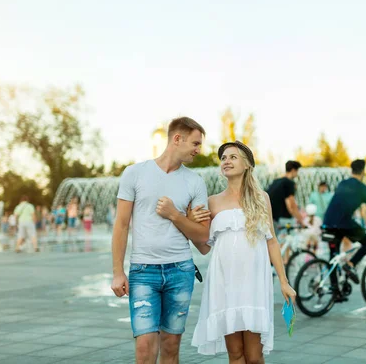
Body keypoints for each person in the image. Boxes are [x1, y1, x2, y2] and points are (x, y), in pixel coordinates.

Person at [110, 117, 210, 364]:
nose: (199, 150)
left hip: (180, 271)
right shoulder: (134, 173)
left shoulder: (195, 182)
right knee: (144, 348)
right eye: (195, 143)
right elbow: (121, 225)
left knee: (171, 346)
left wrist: (176, 215)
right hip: (143, 271)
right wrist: (117, 272)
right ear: (178, 138)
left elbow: (203, 239)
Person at [188, 141, 296, 360]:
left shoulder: (261, 198)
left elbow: (272, 242)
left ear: (247, 164)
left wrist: (284, 282)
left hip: (254, 282)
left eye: (233, 157)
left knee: (254, 355)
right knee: (235, 353)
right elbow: (203, 247)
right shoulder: (212, 202)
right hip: (224, 282)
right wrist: (189, 222)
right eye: (224, 158)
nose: (226, 161)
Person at [323, 159, 366, 288]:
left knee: (333, 256)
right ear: (363, 171)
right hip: (343, 222)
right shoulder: (363, 188)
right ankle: (350, 265)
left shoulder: (342, 183)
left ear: (352, 170)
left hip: (328, 221)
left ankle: (335, 290)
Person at [266, 160, 306, 230]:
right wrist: (301, 221)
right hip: (282, 220)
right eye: (297, 171)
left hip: (270, 218)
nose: (297, 174)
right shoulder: (289, 183)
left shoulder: (276, 181)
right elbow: (291, 206)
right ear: (293, 170)